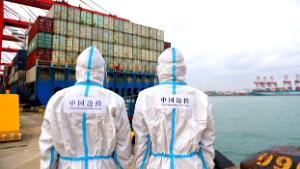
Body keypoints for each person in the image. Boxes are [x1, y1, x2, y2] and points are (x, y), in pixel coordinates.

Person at [39, 46, 133, 169]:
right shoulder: (114, 100)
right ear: (102, 72)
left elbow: (48, 146)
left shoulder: (57, 100)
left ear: (77, 69)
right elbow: (123, 145)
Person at [133, 48, 215, 169]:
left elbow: (142, 141)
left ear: (159, 69)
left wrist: (141, 166)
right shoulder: (201, 98)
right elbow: (207, 142)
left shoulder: (145, 97)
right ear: (183, 69)